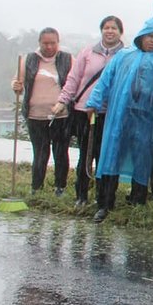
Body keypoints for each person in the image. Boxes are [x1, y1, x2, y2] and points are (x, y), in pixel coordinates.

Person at [84, 18, 153, 222]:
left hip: (146, 118)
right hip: (119, 115)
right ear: (142, 36)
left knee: (142, 157)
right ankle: (104, 203)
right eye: (150, 36)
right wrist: (94, 102)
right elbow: (106, 80)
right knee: (112, 155)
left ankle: (138, 202)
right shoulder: (124, 55)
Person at [52, 15, 124, 208]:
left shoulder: (125, 56)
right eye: (106, 27)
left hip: (109, 113)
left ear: (120, 32)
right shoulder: (87, 53)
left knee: (104, 156)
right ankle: (81, 195)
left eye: (114, 28)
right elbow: (74, 79)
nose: (110, 31)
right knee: (85, 154)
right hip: (84, 111)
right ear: (101, 30)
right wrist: (62, 100)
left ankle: (102, 197)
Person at [14, 27, 72, 197]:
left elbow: (75, 82)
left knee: (60, 152)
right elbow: (18, 82)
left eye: (53, 43)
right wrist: (16, 86)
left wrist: (64, 102)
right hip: (35, 115)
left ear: (58, 42)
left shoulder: (68, 59)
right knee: (40, 152)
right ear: (39, 43)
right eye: (45, 43)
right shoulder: (28, 60)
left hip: (60, 115)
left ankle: (60, 187)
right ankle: (36, 187)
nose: (49, 47)